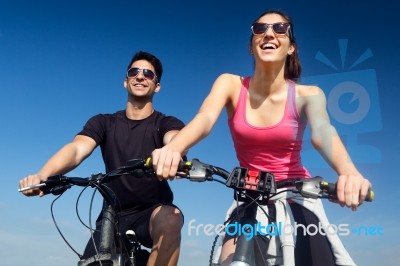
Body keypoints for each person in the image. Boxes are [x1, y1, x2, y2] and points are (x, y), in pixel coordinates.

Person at [151, 10, 372, 266]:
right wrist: (174, 149)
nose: (269, 33)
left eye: (280, 28)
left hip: (296, 192)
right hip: (249, 195)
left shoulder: (309, 94)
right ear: (251, 46)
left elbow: (323, 133)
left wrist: (349, 172)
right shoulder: (230, 84)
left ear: (291, 47)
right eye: (260, 28)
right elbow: (205, 119)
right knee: (228, 260)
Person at [19, 51, 185, 266]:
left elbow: (176, 140)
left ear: (157, 86)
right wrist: (44, 175)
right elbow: (77, 149)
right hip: (112, 214)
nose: (140, 76)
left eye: (148, 74)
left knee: (171, 218)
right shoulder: (104, 122)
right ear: (126, 81)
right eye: (134, 72)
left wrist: (173, 151)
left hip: (152, 212)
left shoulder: (165, 123)